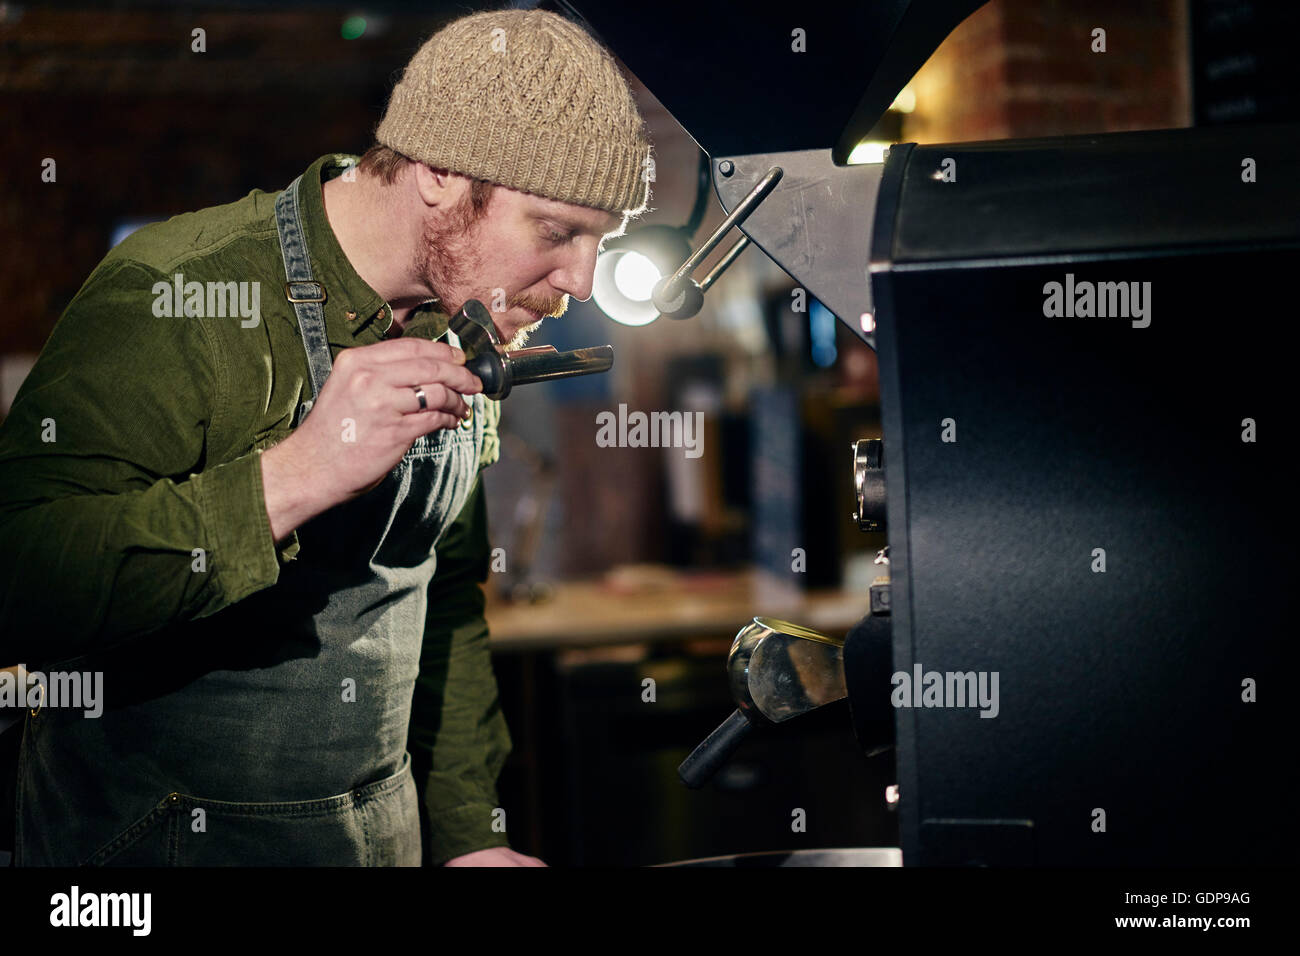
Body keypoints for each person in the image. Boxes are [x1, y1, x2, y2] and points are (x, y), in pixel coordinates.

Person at [0, 7, 651, 866]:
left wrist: (464, 836)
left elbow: (443, 599)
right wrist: (294, 476)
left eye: (602, 241)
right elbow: (20, 579)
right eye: (556, 230)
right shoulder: (176, 293)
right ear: (442, 175)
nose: (579, 281)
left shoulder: (470, 322)